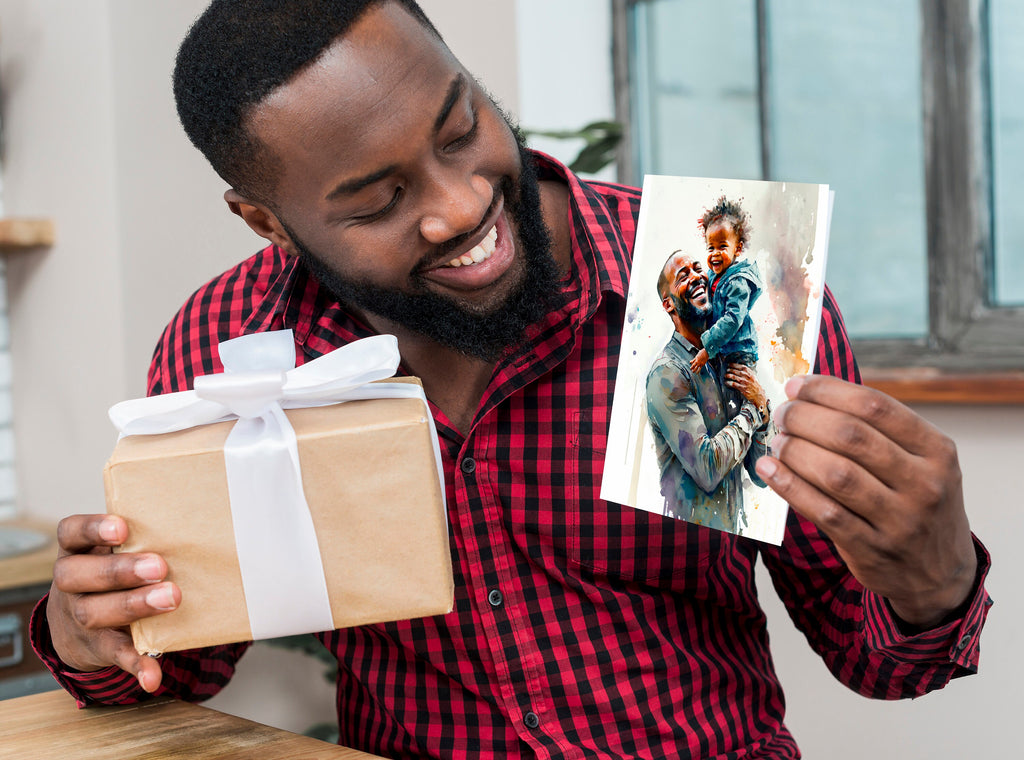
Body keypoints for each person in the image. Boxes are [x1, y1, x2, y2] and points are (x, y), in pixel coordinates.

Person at [32, 1, 991, 758]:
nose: (459, 208)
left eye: (460, 131)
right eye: (378, 200)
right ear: (266, 222)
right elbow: (181, 668)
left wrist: (933, 574)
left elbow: (880, 660)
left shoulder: (713, 294)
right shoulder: (233, 345)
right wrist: (92, 634)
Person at [647, 250, 770, 533]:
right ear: (668, 304)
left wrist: (761, 409)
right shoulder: (668, 373)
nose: (696, 277)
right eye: (683, 276)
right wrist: (756, 409)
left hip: (731, 549)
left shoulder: (727, 358)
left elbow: (764, 473)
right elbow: (709, 468)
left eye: (697, 268)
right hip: (681, 550)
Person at [689, 198, 762, 420]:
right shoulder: (713, 276)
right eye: (711, 247)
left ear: (737, 248)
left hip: (739, 355)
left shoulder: (737, 282)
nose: (715, 254)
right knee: (721, 402)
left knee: (736, 406)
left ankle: (744, 448)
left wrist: (706, 348)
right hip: (723, 352)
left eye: (722, 247)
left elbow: (732, 320)